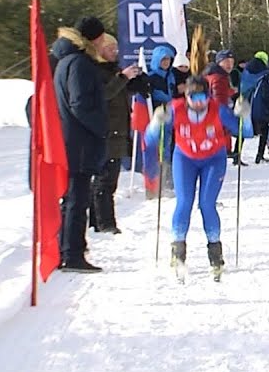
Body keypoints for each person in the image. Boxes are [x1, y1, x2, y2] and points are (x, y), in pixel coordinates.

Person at [145, 77, 251, 280]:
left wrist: (244, 116)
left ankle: (215, 253)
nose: (199, 102)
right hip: (185, 158)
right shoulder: (176, 109)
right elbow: (151, 139)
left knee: (207, 204)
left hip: (213, 159)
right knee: (184, 202)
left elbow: (245, 132)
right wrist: (156, 122)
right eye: (194, 97)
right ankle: (178, 249)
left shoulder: (217, 109)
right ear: (186, 97)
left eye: (203, 96)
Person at [51, 16, 111, 272]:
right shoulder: (79, 63)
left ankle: (68, 248)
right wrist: (101, 127)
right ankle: (72, 253)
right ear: (95, 38)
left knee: (73, 198)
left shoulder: (67, 60)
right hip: (80, 143)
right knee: (77, 199)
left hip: (72, 140)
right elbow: (80, 104)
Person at [92, 34, 150, 233]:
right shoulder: (96, 71)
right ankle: (105, 222)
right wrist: (124, 78)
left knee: (108, 178)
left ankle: (98, 219)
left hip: (118, 130)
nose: (115, 52)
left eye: (116, 48)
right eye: (110, 49)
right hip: (106, 130)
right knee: (105, 179)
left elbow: (121, 92)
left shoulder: (113, 70)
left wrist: (136, 81)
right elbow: (105, 94)